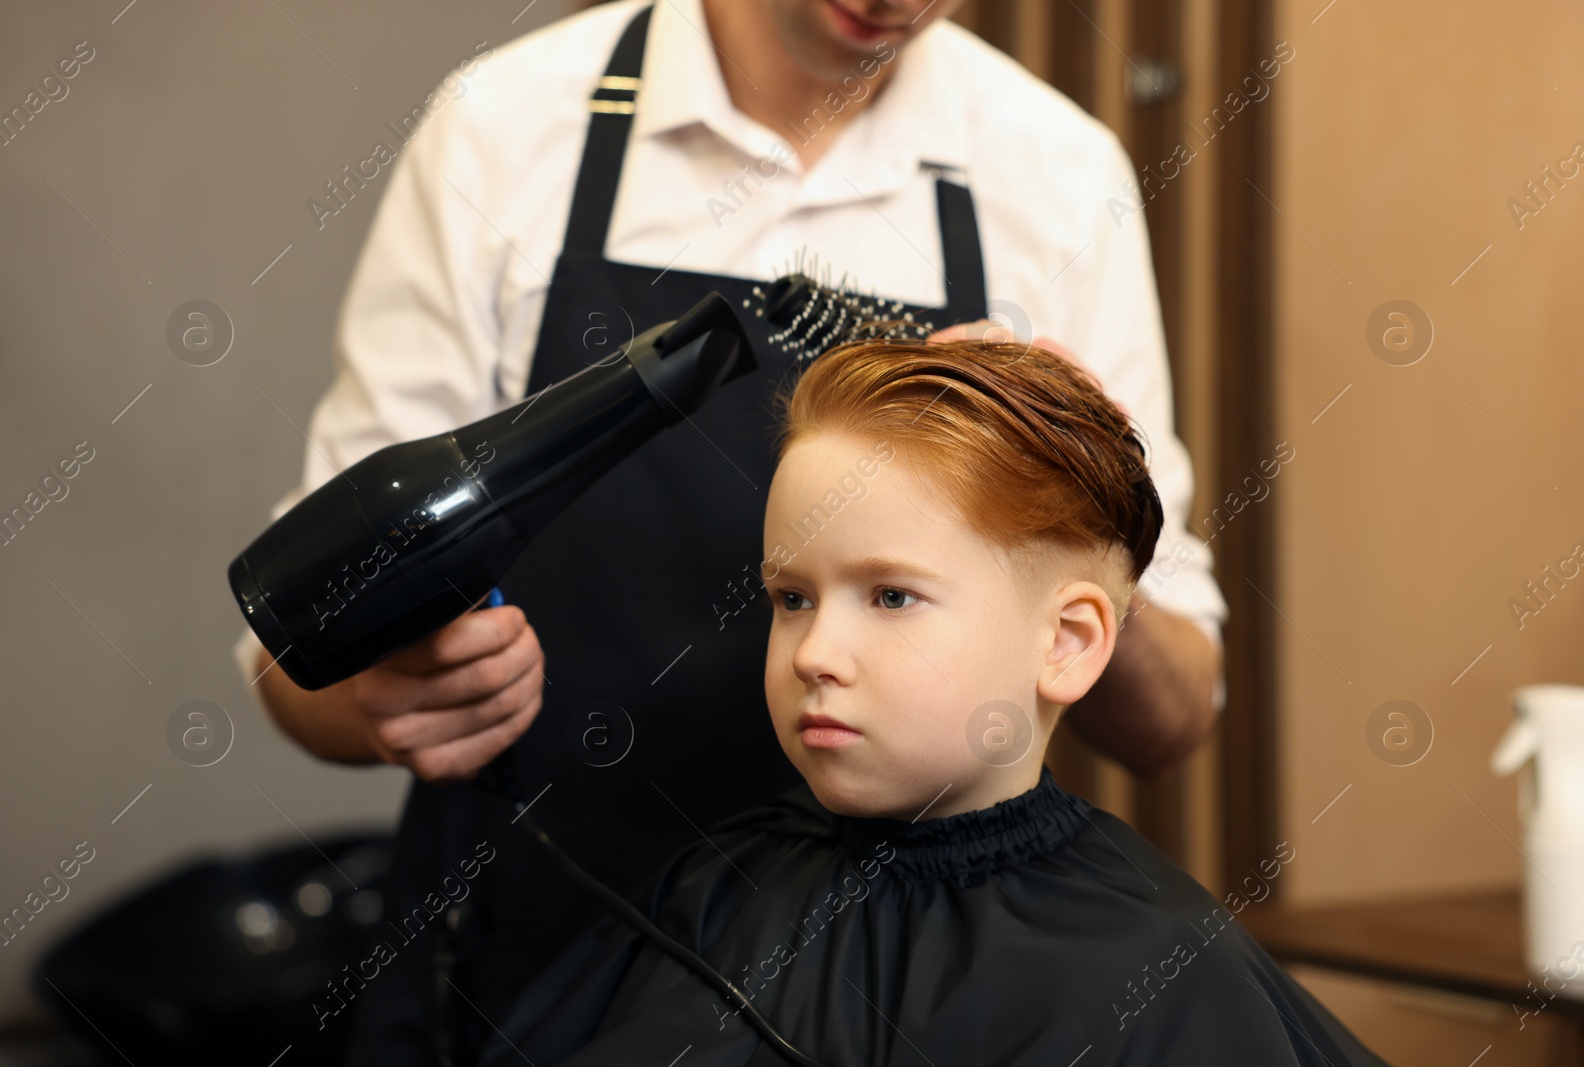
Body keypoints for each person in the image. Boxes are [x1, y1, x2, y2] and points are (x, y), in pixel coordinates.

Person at [232, 1, 1228, 1062]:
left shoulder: (1059, 172)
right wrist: (378, 695)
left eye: (887, 595)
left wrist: (1090, 508)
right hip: (521, 961)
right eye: (789, 597)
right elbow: (296, 661)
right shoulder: (507, 127)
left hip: (894, 998)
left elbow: (1172, 716)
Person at [477, 337, 1382, 1067]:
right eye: (791, 598)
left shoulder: (1160, 967)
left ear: (1065, 644)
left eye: (891, 597)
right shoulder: (708, 899)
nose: (816, 654)